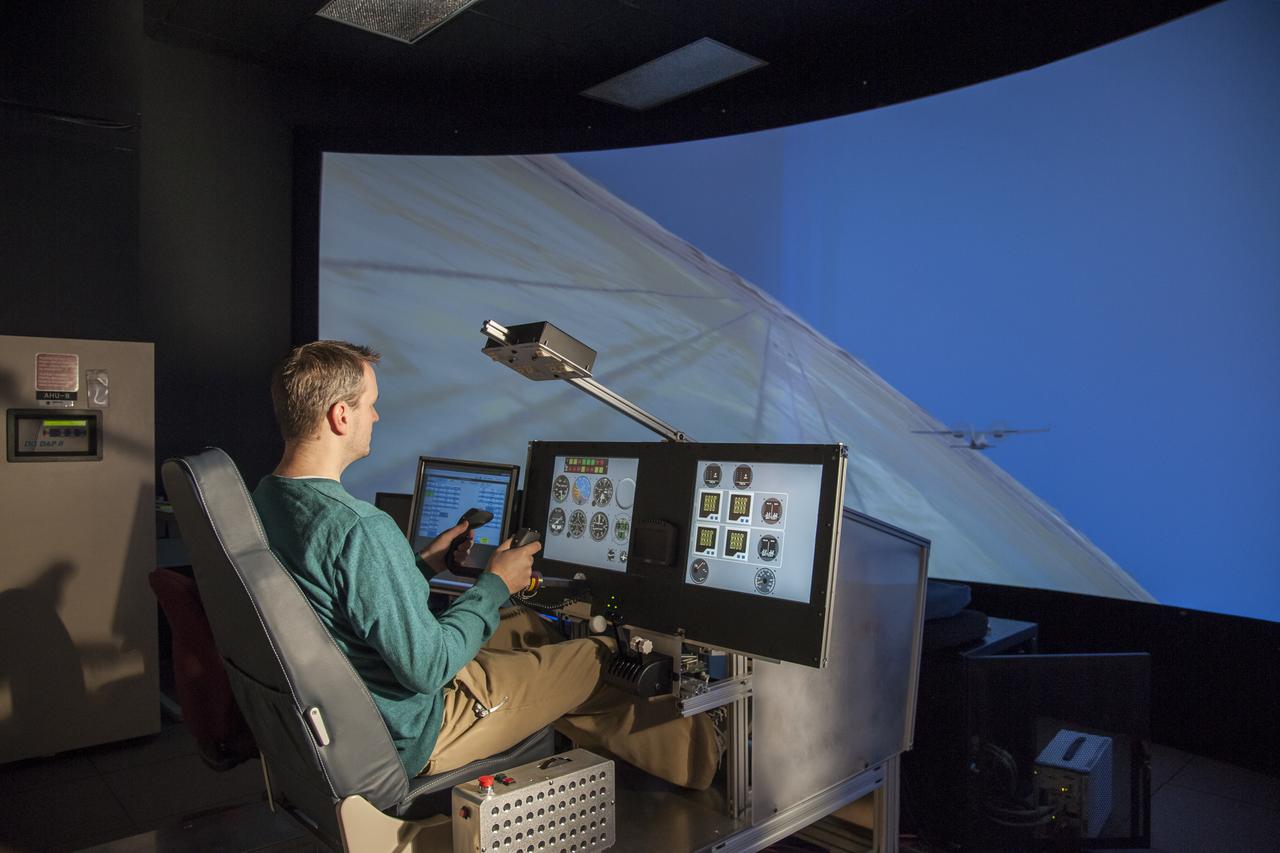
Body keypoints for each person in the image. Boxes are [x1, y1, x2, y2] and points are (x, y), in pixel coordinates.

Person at [252, 340, 718, 788]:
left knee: (526, 626)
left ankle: (639, 744)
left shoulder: (268, 500)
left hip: (352, 709)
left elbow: (345, 602)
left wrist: (425, 566)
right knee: (596, 656)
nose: (375, 415)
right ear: (339, 415)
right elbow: (428, 668)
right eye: (370, 404)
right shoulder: (359, 528)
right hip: (413, 729)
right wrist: (496, 582)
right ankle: (707, 761)